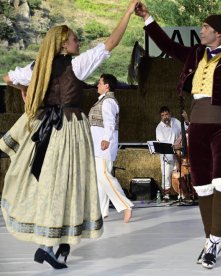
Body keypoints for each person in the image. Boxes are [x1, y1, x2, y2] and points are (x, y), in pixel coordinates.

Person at [0, 0, 139, 269]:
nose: (78, 42)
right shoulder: (76, 66)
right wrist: (127, 14)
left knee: (52, 185)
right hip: (69, 129)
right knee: (69, 186)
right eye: (75, 39)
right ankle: (52, 246)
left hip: (45, 128)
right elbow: (110, 44)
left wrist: (24, 91)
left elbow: (8, 77)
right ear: (64, 44)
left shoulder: (36, 67)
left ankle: (56, 245)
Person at [135, 3, 221, 269]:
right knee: (202, 186)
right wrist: (148, 18)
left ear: (219, 33)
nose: (202, 29)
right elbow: (167, 45)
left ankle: (214, 241)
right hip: (196, 127)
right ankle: (211, 241)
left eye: (206, 27)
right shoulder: (195, 54)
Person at [89, 74, 134, 223]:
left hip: (103, 145)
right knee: (100, 178)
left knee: (104, 176)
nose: (97, 85)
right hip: (98, 145)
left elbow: (110, 123)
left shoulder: (108, 102)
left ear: (107, 85)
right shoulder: (103, 101)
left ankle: (125, 205)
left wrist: (106, 139)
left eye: (99, 83)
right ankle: (101, 212)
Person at [155, 106, 188, 200]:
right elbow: (162, 144)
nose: (165, 117)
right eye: (162, 115)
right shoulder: (159, 128)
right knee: (166, 174)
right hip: (167, 155)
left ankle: (182, 193)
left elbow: (186, 128)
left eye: (166, 114)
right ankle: (166, 194)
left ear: (170, 114)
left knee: (180, 173)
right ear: (160, 117)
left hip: (178, 154)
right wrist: (174, 147)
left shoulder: (175, 121)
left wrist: (186, 118)